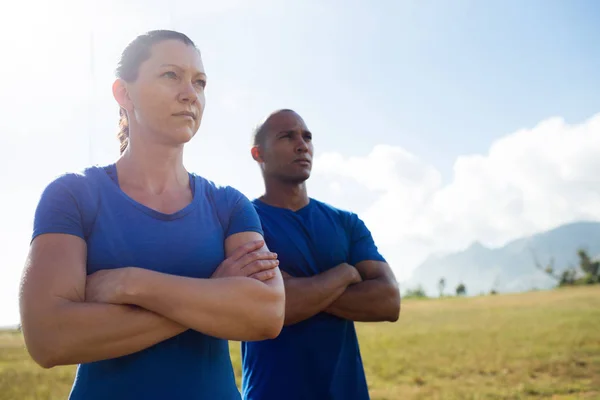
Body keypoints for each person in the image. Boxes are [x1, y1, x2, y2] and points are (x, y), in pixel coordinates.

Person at [18, 30, 285, 400]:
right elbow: (49, 339)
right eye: (171, 75)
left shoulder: (229, 205)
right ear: (123, 93)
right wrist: (213, 292)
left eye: (200, 82)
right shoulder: (73, 195)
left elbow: (266, 315)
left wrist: (131, 284)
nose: (190, 93)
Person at [241, 109, 401, 400]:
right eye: (287, 136)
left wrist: (298, 290)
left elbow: (388, 302)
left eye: (307, 137)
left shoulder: (346, 222)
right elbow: (273, 308)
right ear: (258, 153)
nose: (302, 144)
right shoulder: (244, 222)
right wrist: (344, 273)